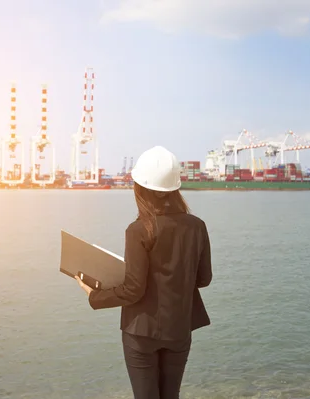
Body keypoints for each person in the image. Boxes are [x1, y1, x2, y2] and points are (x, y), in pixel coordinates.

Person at [74, 145, 213, 399]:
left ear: (140, 188)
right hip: (179, 329)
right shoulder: (197, 226)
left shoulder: (139, 229)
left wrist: (94, 295)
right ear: (175, 187)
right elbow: (204, 279)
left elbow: (133, 289)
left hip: (141, 332)